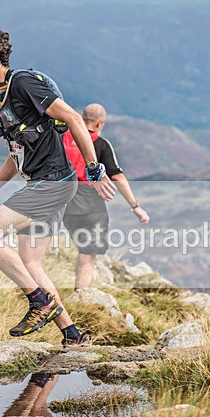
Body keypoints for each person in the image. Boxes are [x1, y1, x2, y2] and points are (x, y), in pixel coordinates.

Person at [0, 25, 117, 345]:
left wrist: (92, 165)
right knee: (30, 262)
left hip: (53, 182)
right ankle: (72, 334)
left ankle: (39, 302)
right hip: (41, 182)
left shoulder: (23, 83)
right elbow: (15, 152)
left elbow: (73, 117)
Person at [62, 104, 150, 290]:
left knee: (79, 247)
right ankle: (82, 298)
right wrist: (135, 206)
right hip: (89, 204)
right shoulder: (100, 145)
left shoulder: (63, 139)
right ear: (100, 123)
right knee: (88, 254)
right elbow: (116, 176)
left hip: (62, 200)